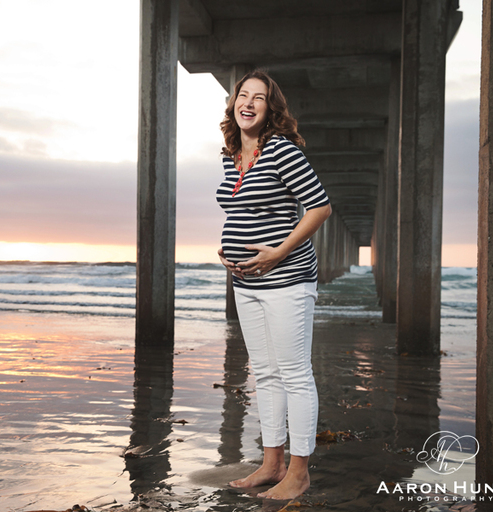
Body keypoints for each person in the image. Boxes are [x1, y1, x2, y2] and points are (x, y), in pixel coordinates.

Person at [216, 69, 331, 500]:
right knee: (265, 373)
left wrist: (278, 252)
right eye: (242, 95)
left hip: (287, 279)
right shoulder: (231, 155)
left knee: (294, 374)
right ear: (233, 104)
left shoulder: (282, 150)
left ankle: (298, 473)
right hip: (247, 282)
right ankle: (272, 463)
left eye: (258, 98)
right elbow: (240, 212)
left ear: (270, 109)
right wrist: (228, 249)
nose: (247, 103)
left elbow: (320, 208)